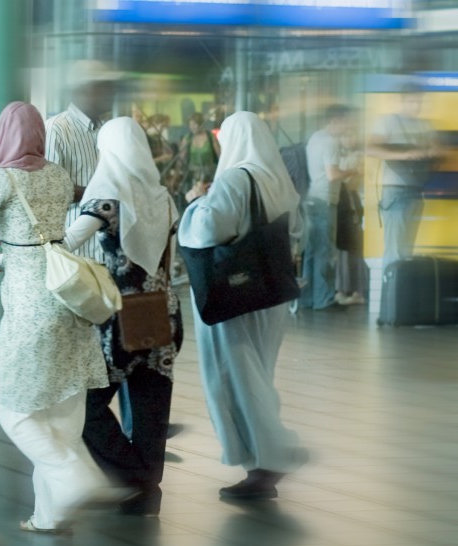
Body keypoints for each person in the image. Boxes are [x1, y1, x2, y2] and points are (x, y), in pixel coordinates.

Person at [0, 101, 124, 533]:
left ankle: (77, 479)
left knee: (16, 411)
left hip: (32, 307)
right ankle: (50, 515)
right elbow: (40, 243)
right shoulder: (57, 175)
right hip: (68, 300)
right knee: (63, 412)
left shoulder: (1, 178)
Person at [179, 112, 305, 501]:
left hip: (235, 295)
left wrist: (196, 202)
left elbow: (208, 230)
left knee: (236, 379)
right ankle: (266, 457)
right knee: (257, 374)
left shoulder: (235, 178)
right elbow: (295, 233)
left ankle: (268, 461)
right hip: (270, 294)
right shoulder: (278, 177)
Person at [64, 117, 182, 517]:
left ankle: (132, 478)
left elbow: (71, 239)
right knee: (152, 404)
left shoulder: (107, 195)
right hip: (164, 313)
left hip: (121, 318)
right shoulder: (163, 196)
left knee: (85, 403)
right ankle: (148, 491)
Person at [45, 60, 121, 260]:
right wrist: (100, 196)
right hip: (75, 247)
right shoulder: (57, 129)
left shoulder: (107, 129)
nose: (111, 94)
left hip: (106, 246)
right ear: (85, 91)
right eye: (105, 88)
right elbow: (51, 189)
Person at [367, 86, 441, 267]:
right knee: (394, 251)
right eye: (411, 101)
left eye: (419, 101)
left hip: (416, 191)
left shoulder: (425, 125)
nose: (416, 106)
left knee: (407, 252)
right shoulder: (388, 122)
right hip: (395, 191)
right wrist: (405, 155)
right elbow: (371, 148)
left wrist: (430, 152)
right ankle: (391, 294)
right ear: (402, 101)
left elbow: (436, 150)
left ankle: (401, 292)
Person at [300, 105, 358, 311]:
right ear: (336, 121)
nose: (350, 125)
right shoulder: (331, 142)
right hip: (325, 200)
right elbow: (332, 174)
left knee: (311, 252)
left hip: (311, 199)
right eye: (347, 121)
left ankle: (307, 299)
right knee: (324, 251)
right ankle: (324, 299)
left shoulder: (315, 138)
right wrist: (353, 170)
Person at [334, 129, 367, 306]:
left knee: (352, 248)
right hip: (344, 204)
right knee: (343, 250)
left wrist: (344, 173)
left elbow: (352, 181)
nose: (348, 138)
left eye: (351, 133)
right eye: (345, 134)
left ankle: (355, 290)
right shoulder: (339, 154)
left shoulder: (360, 156)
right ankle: (344, 289)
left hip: (353, 205)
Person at [178, 112, 220, 198]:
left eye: (195, 124)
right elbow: (181, 158)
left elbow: (220, 156)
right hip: (193, 175)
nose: (193, 127)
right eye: (191, 124)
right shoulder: (188, 138)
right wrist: (176, 176)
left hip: (210, 175)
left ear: (201, 124)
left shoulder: (210, 136)